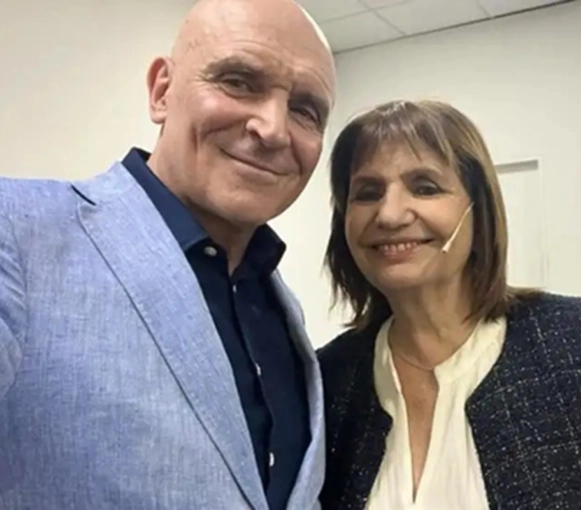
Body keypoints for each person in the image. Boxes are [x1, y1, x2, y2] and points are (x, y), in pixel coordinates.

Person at [0, 0, 335, 508]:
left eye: (305, 110)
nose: (272, 128)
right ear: (162, 91)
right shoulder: (17, 232)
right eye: (239, 82)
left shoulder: (278, 305)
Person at [318, 100, 581, 509]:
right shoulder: (328, 380)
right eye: (367, 193)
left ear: (477, 210)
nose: (389, 214)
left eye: (425, 187)